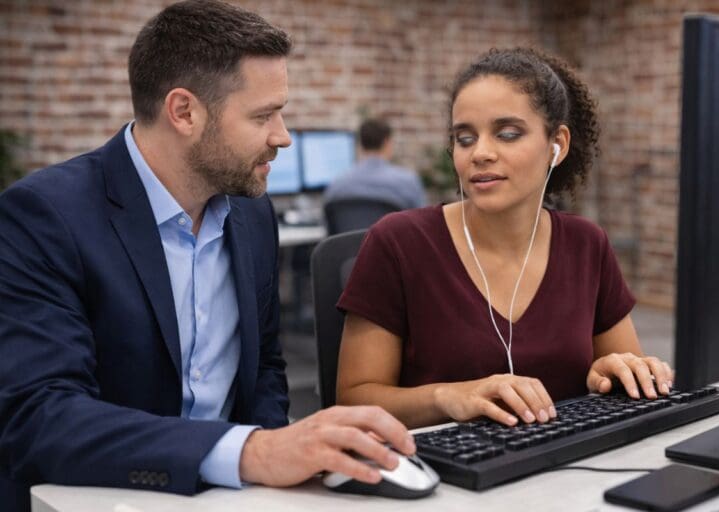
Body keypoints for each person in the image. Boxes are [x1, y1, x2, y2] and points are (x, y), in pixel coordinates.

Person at [0, 2, 413, 511]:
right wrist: (250, 452)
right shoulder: (44, 217)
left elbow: (264, 369)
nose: (282, 136)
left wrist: (275, 475)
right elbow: (40, 416)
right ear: (184, 112)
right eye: (263, 115)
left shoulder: (250, 215)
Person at [335, 47, 674, 429]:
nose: (480, 153)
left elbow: (625, 382)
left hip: (564, 472)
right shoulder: (399, 242)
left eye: (507, 134)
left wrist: (617, 373)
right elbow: (354, 400)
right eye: (464, 139)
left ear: (557, 145)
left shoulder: (586, 245)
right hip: (445, 476)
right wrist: (449, 396)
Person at [324, 118, 427, 210]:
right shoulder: (408, 182)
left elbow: (332, 229)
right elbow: (421, 223)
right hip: (390, 232)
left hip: (354, 232)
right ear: (387, 142)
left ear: (360, 144)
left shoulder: (337, 184)